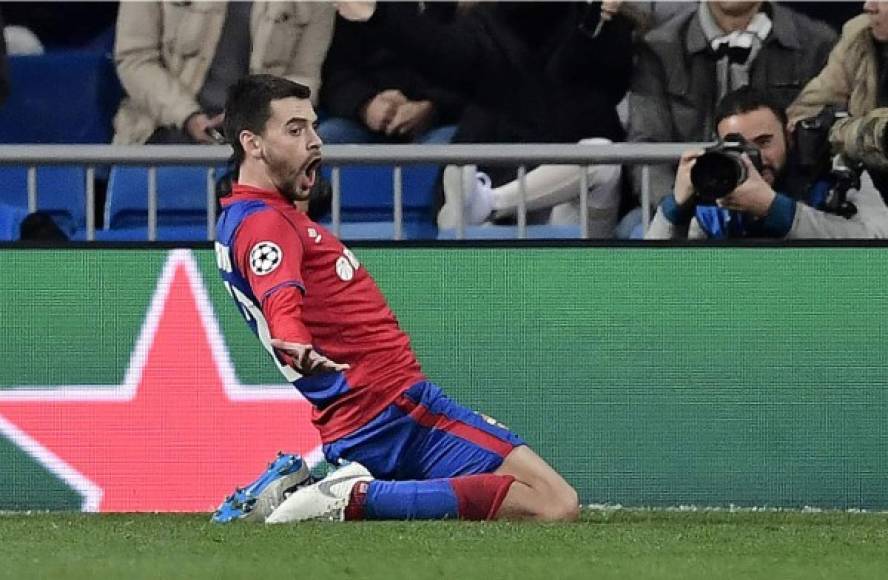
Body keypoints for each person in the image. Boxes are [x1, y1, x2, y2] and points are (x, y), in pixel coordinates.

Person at [212, 74, 579, 524]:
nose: (314, 142)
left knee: (539, 498)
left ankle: (341, 488)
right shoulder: (265, 224)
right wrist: (293, 339)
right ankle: (347, 498)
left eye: (312, 126)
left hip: (373, 414)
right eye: (294, 129)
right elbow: (280, 296)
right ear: (252, 143)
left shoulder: (248, 217)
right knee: (554, 503)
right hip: (394, 412)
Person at [335, 1, 637, 237]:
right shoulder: (487, 27)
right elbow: (443, 51)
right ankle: (482, 210)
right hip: (492, 191)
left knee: (601, 157)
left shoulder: (603, 27)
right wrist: (379, 15)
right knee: (461, 188)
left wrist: (592, 26)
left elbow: (598, 80)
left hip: (568, 204)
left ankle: (489, 204)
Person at [628, 1, 836, 211]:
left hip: (790, 202)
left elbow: (826, 140)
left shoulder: (817, 43)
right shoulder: (659, 47)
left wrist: (781, 209)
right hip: (688, 204)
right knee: (638, 234)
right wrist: (678, 210)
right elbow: (646, 144)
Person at [645, 87, 888, 240]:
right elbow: (653, 282)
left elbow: (879, 238)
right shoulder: (717, 193)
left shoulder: (829, 170)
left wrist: (776, 210)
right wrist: (675, 210)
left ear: (789, 137)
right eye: (739, 147)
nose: (756, 158)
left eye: (763, 142)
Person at [112, 1, 335, 145]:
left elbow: (304, 77)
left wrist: (255, 114)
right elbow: (135, 59)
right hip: (161, 129)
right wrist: (188, 116)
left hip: (263, 138)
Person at [318, 2, 466, 146]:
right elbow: (337, 72)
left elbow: (474, 70)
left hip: (441, 121)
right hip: (368, 117)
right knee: (325, 140)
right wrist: (366, 105)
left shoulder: (461, 8)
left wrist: (432, 106)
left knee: (447, 150)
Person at [787, 1, 888, 200]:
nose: (869, 6)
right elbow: (804, 115)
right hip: (868, 197)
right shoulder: (860, 34)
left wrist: (837, 130)